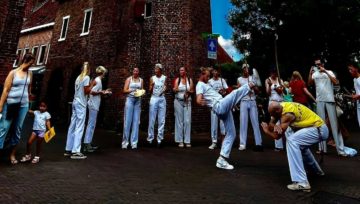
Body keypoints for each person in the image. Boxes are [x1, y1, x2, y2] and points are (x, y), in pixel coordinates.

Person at [196, 67, 255, 170]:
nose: (208, 77)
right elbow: (198, 99)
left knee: (231, 133)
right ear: (202, 75)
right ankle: (251, 84)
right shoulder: (200, 85)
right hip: (219, 106)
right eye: (207, 75)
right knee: (234, 93)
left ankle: (222, 160)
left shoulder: (205, 84)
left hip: (222, 106)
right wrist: (200, 101)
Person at [261, 102, 327, 192]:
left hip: (319, 130)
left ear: (277, 111)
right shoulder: (282, 105)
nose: (272, 117)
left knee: (292, 141)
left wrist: (266, 131)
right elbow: (271, 123)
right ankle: (316, 171)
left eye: (273, 115)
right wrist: (275, 125)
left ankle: (302, 182)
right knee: (299, 146)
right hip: (317, 128)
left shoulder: (287, 115)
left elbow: (277, 136)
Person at [308, 58, 348, 156]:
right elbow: (309, 83)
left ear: (323, 64)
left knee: (335, 125)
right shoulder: (315, 74)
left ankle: (341, 150)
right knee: (320, 124)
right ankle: (322, 149)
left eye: (319, 64)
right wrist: (310, 72)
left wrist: (325, 71)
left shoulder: (329, 72)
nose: (318, 66)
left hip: (330, 99)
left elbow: (336, 82)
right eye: (316, 64)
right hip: (320, 100)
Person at [0, 53, 35, 164]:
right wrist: (0, 105)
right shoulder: (13, 73)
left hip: (23, 106)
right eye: (30, 62)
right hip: (10, 104)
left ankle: (12, 154)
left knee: (17, 129)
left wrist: (29, 102)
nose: (31, 65)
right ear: (25, 61)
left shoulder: (30, 73)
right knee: (4, 128)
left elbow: (29, 89)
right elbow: (5, 90)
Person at [64, 62, 92, 159]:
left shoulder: (78, 78)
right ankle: (76, 151)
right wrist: (92, 85)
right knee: (80, 126)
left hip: (75, 102)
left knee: (72, 125)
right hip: (81, 104)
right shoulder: (87, 78)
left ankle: (68, 148)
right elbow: (86, 91)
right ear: (88, 69)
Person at [83, 66, 110, 152]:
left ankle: (88, 143)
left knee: (91, 124)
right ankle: (87, 145)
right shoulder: (98, 80)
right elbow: (91, 92)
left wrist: (104, 91)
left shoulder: (97, 79)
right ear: (103, 73)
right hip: (93, 104)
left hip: (93, 104)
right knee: (91, 124)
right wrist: (102, 92)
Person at [236, 64, 263, 151]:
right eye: (244, 68)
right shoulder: (239, 79)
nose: (246, 69)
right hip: (244, 101)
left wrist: (253, 86)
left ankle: (258, 143)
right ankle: (242, 144)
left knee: (255, 122)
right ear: (242, 69)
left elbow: (258, 91)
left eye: (247, 68)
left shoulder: (252, 78)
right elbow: (238, 92)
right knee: (243, 123)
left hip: (252, 101)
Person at [122, 67, 143, 149]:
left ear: (138, 72)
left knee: (136, 121)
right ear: (133, 72)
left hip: (137, 101)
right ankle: (125, 142)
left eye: (137, 71)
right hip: (130, 100)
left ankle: (134, 143)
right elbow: (124, 90)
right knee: (127, 121)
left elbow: (141, 90)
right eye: (134, 71)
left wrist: (141, 93)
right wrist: (132, 90)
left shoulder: (141, 80)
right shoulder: (129, 79)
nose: (135, 72)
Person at [173, 67, 194, 148]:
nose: (181, 71)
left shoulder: (189, 80)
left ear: (185, 71)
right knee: (179, 121)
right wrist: (175, 90)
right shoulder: (177, 80)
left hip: (187, 101)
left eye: (182, 70)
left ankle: (187, 141)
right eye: (180, 70)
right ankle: (180, 140)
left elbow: (192, 90)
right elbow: (175, 89)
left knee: (187, 121)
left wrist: (188, 92)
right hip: (178, 101)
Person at [207, 67, 228, 149]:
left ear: (218, 72)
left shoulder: (222, 81)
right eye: (214, 71)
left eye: (217, 71)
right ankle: (214, 141)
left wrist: (224, 92)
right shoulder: (210, 82)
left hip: (222, 103)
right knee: (214, 123)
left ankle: (223, 141)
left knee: (222, 123)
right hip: (213, 104)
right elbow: (208, 92)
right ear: (212, 72)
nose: (215, 72)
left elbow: (227, 90)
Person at [148, 64, 167, 147]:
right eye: (155, 68)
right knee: (152, 119)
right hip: (154, 98)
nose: (155, 70)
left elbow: (165, 86)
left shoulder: (164, 77)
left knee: (161, 119)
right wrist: (151, 86)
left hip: (162, 99)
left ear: (160, 70)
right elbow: (149, 90)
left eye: (157, 69)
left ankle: (159, 139)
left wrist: (164, 89)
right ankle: (150, 138)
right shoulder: (152, 78)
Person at [265, 69, 284, 151]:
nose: (274, 74)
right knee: (275, 123)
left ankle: (288, 143)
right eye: (273, 73)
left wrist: (274, 85)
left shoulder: (280, 80)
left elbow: (281, 91)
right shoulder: (267, 80)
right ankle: (278, 146)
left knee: (283, 122)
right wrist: (269, 86)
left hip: (281, 102)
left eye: (275, 73)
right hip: (273, 103)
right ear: (271, 73)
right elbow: (268, 93)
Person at [348, 62, 360, 127]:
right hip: (358, 105)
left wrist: (357, 96)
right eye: (349, 70)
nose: (350, 71)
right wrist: (354, 96)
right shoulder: (354, 80)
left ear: (356, 69)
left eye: (351, 69)